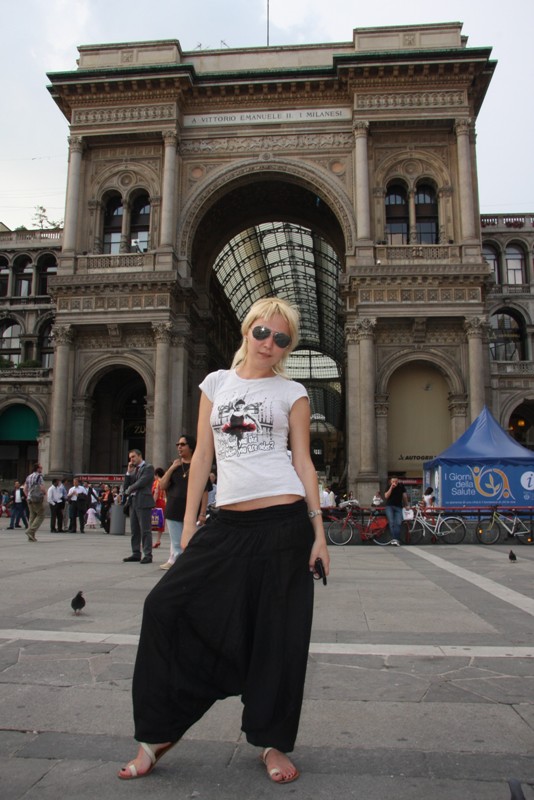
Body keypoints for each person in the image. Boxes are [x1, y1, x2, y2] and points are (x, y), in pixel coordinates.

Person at [118, 296, 330, 785]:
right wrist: (189, 524)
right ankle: (157, 733)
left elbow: (303, 463)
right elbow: (201, 460)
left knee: (278, 636)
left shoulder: (293, 392)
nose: (269, 344)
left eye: (281, 339)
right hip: (227, 525)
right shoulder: (215, 384)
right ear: (247, 329)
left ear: (287, 347)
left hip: (285, 522)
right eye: (262, 332)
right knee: (164, 606)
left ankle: (270, 742)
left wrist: (319, 535)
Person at [158, 436, 210, 570]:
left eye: (182, 444)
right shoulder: (175, 466)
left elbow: (205, 491)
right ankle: (180, 567)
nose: (179, 447)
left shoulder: (199, 466)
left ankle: (189, 566)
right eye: (177, 445)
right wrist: (171, 468)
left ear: (191, 447)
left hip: (193, 511)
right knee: (176, 544)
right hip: (173, 510)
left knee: (193, 542)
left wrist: (203, 513)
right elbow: (162, 485)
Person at [122, 449, 155, 564]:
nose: (131, 459)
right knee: (134, 529)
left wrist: (129, 489)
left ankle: (148, 554)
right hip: (133, 501)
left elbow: (142, 482)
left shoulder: (148, 468)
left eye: (133, 457)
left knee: (145, 529)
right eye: (130, 458)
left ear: (140, 456)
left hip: (144, 501)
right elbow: (126, 485)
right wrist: (128, 473)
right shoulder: (133, 470)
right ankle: (136, 553)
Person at [384, 476, 409, 545]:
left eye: (396, 481)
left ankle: (395, 539)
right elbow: (386, 496)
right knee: (391, 522)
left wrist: (406, 504)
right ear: (391, 482)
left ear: (398, 481)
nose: (395, 483)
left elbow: (404, 496)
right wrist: (391, 487)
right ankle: (395, 539)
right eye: (393, 481)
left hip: (398, 506)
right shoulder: (388, 486)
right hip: (389, 506)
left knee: (398, 523)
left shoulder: (401, 486)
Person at [24, 463, 46, 542]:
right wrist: (45, 493)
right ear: (37, 469)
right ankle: (30, 531)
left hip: (29, 498)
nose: (41, 469)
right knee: (41, 515)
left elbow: (25, 489)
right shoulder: (39, 476)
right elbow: (42, 487)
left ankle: (31, 536)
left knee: (32, 516)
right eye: (41, 468)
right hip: (36, 499)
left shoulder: (29, 476)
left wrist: (28, 496)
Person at [151, 467, 166, 548]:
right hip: (163, 502)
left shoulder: (157, 482)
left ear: (156, 474)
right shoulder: (164, 481)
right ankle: (158, 540)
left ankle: (148, 541)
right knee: (160, 522)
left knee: (151, 521)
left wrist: (153, 503)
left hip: (157, 502)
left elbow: (156, 492)